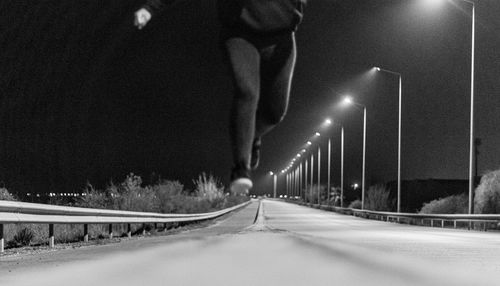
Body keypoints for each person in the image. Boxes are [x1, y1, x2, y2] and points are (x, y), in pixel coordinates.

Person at [134, 0, 306, 194]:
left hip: (281, 37)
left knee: (275, 113)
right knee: (247, 92)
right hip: (240, 34)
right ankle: (241, 169)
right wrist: (150, 8)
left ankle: (253, 136)